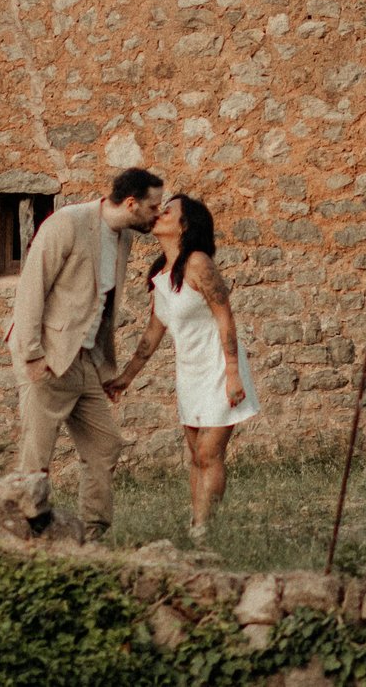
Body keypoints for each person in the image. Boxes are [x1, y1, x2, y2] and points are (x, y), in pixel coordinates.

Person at [9, 166, 164, 542]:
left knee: (104, 444)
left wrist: (105, 366)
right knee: (36, 458)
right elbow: (32, 288)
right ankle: (25, 537)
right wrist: (31, 355)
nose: (158, 214)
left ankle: (90, 535)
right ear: (131, 203)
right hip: (49, 359)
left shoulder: (123, 237)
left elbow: (102, 306)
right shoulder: (66, 223)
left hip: (85, 363)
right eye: (154, 206)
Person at [107, 192, 256, 541]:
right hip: (190, 371)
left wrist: (233, 371)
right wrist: (126, 378)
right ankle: (197, 525)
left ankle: (206, 530)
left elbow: (225, 316)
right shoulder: (161, 273)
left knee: (208, 452)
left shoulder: (200, 263)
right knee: (195, 455)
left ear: (185, 225)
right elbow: (153, 331)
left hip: (219, 366)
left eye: (167, 210)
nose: (158, 213)